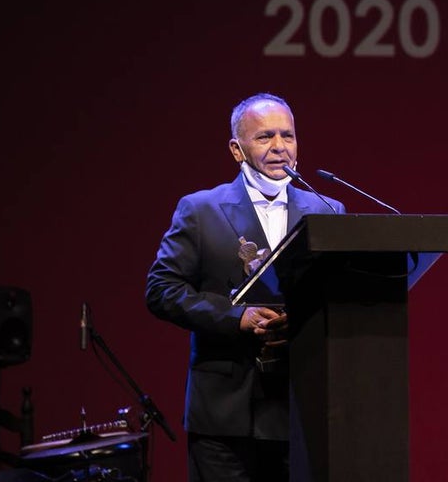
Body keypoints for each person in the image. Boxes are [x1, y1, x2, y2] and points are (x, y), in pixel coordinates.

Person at [146, 93, 344, 481]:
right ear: (237, 150)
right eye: (264, 137)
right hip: (226, 415)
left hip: (300, 408)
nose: (279, 148)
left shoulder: (326, 209)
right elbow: (161, 290)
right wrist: (235, 318)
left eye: (287, 136)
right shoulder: (200, 209)